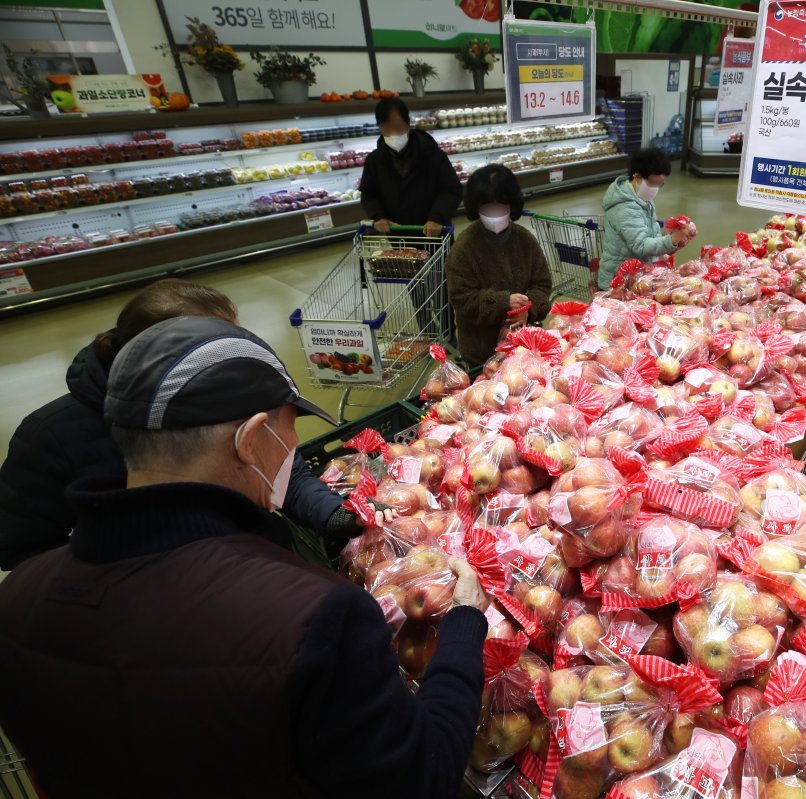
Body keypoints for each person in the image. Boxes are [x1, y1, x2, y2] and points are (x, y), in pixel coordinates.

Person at [0, 316, 490, 797]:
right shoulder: (317, 616)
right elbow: (422, 777)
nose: (294, 448)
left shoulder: (18, 598)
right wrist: (464, 623)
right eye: (290, 428)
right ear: (252, 438)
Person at [0, 279, 363, 570]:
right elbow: (20, 547)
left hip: (248, 564)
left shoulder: (232, 392)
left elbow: (286, 472)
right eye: (215, 348)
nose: (234, 356)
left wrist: (334, 515)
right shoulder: (52, 435)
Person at [360, 97, 464, 342]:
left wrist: (437, 217)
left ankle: (449, 339)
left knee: (441, 289)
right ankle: (429, 337)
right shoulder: (375, 161)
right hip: (402, 236)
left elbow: (451, 189)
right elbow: (369, 194)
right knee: (416, 290)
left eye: (397, 127)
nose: (393, 133)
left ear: (408, 124)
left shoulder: (431, 155)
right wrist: (379, 216)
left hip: (434, 236)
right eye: (386, 128)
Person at [446, 164, 552, 366]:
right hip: (482, 352)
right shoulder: (463, 248)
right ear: (476, 208)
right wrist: (504, 302)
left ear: (512, 205)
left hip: (525, 347)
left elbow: (543, 285)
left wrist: (528, 308)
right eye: (487, 208)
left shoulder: (525, 240)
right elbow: (462, 299)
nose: (495, 214)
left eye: (501, 206)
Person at [597, 146, 691, 291]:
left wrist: (670, 237)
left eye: (660, 184)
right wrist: (672, 239)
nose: (656, 189)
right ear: (637, 177)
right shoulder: (624, 207)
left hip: (636, 274)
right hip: (618, 281)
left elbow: (647, 234)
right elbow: (641, 245)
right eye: (653, 183)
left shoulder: (641, 198)